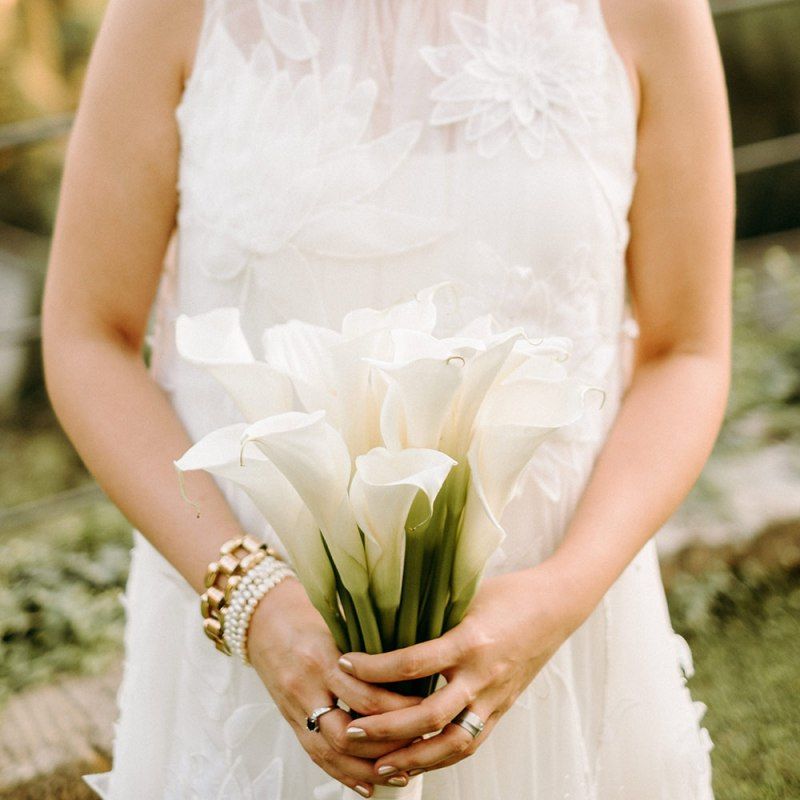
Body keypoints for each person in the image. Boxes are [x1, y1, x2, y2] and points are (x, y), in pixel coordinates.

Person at [40, 0, 734, 797]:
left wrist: (556, 598)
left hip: (552, 633)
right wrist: (252, 602)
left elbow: (687, 349)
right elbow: (89, 335)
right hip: (259, 643)